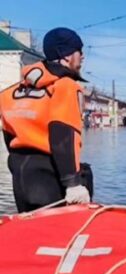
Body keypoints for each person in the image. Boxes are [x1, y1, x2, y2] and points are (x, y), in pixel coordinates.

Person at [0, 27, 93, 213]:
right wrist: (73, 183)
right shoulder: (65, 87)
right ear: (66, 56)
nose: (82, 56)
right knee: (60, 235)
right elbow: (63, 136)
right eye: (79, 51)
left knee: (32, 234)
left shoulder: (10, 94)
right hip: (51, 179)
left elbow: (10, 138)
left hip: (21, 178)